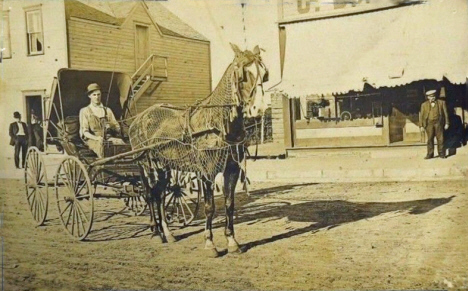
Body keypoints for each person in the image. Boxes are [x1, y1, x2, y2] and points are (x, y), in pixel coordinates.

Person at [79, 83, 124, 158]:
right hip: (92, 139)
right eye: (94, 95)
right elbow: (85, 132)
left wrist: (111, 126)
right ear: (89, 96)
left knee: (121, 143)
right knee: (102, 146)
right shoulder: (85, 111)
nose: (97, 97)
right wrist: (96, 138)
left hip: (108, 138)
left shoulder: (107, 110)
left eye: (98, 94)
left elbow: (117, 128)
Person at [419, 89, 449, 159]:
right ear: (428, 97)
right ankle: (430, 154)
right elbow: (421, 116)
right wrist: (421, 126)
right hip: (429, 124)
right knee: (430, 139)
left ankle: (441, 154)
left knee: (440, 139)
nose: (432, 98)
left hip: (438, 123)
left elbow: (446, 114)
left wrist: (447, 123)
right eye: (430, 96)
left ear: (435, 96)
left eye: (433, 96)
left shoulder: (441, 103)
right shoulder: (424, 105)